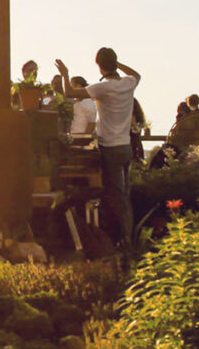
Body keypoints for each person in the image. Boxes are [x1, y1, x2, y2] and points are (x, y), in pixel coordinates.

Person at [56, 48, 140, 248]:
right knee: (124, 195)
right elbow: (136, 74)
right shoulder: (128, 84)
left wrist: (65, 74)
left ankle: (124, 240)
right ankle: (130, 235)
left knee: (115, 196)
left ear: (99, 66)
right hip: (125, 146)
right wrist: (117, 63)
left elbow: (69, 92)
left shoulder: (102, 88)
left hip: (109, 147)